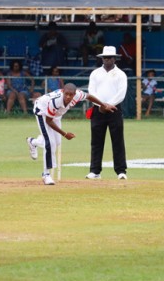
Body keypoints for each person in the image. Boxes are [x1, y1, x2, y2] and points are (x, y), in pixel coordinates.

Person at [26, 83, 116, 185]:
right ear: (63, 92)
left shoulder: (78, 95)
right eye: (66, 94)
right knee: (50, 144)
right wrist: (65, 134)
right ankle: (46, 174)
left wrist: (104, 105)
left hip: (56, 115)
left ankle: (33, 142)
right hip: (42, 111)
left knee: (56, 142)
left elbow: (89, 96)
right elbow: (49, 121)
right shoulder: (56, 101)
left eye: (71, 94)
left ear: (75, 94)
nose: (68, 97)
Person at [86, 46, 128, 180]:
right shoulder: (95, 73)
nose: (107, 60)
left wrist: (109, 104)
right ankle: (95, 171)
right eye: (105, 57)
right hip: (98, 109)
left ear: (114, 59)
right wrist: (101, 105)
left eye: (109, 58)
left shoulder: (120, 74)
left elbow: (121, 93)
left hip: (114, 109)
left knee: (117, 140)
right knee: (96, 141)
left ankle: (121, 171)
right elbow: (91, 91)